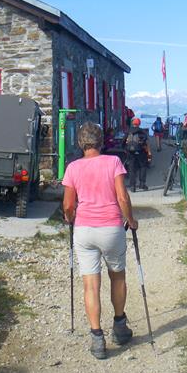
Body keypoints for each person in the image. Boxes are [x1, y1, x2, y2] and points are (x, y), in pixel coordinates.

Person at [62, 122, 138, 360]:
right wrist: (131, 220)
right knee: (117, 276)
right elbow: (122, 197)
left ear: (80, 143)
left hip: (84, 229)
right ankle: (119, 326)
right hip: (111, 228)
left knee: (90, 285)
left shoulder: (72, 168)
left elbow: (67, 205)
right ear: (101, 141)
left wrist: (71, 218)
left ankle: (97, 339)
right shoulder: (113, 163)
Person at [124, 117, 150, 191]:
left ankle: (132, 186)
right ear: (139, 124)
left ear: (132, 123)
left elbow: (123, 141)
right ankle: (142, 184)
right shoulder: (142, 131)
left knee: (132, 169)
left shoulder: (128, 131)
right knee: (143, 166)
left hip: (130, 153)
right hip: (140, 152)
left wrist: (125, 148)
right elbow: (146, 141)